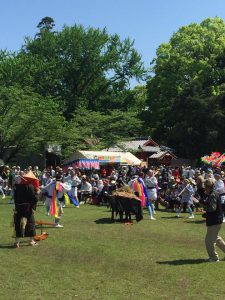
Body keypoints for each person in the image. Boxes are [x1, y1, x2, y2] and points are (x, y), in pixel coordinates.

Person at [13, 174, 39, 248]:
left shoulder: (16, 187)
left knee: (17, 223)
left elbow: (15, 198)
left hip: (18, 207)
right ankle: (31, 241)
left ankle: (16, 242)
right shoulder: (30, 186)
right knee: (31, 223)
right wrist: (37, 193)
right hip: (27, 208)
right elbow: (34, 199)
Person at [204, 178, 225, 262]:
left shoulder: (212, 195)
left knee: (209, 240)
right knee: (216, 238)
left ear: (208, 187)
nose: (204, 188)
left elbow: (212, 208)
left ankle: (214, 257)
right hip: (217, 220)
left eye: (205, 186)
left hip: (214, 220)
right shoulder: (214, 194)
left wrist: (203, 205)